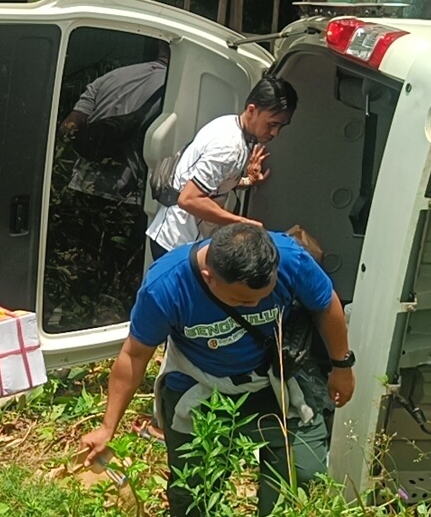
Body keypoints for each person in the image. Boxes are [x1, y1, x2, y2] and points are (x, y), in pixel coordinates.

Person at [80, 224, 355, 516]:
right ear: (210, 278)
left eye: (265, 294)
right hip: (200, 385)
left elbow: (326, 304)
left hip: (272, 381)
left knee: (303, 478)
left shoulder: (290, 258)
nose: (257, 304)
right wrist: (107, 427)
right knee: (194, 495)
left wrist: (342, 366)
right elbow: (134, 356)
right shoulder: (166, 286)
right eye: (243, 300)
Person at [146, 75, 297, 260]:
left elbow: (215, 184)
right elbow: (189, 199)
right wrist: (242, 223)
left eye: (281, 126)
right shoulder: (229, 147)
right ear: (252, 110)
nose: (275, 132)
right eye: (272, 124)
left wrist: (247, 180)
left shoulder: (232, 125)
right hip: (178, 245)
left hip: (181, 240)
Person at [58, 43, 170, 206]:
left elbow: (67, 130)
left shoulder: (110, 77)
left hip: (83, 186)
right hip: (126, 197)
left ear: (160, 45)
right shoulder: (176, 90)